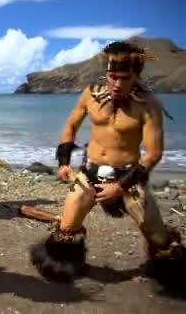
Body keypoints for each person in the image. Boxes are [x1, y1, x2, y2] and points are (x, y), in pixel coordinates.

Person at [28, 41, 185, 297]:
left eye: (125, 78)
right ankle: (68, 267)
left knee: (159, 238)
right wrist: (63, 163)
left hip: (128, 179)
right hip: (89, 173)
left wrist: (119, 187)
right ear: (106, 73)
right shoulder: (90, 94)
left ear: (136, 75)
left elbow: (154, 154)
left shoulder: (148, 104)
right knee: (66, 230)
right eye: (112, 76)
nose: (117, 84)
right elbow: (70, 126)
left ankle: (169, 277)